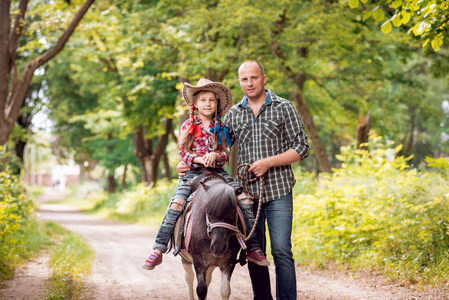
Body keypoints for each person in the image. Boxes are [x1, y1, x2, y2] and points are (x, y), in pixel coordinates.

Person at [178, 61, 309, 299]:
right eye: (244, 79)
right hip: (246, 193)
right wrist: (190, 162)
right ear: (239, 82)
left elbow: (302, 147)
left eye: (254, 78)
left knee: (281, 250)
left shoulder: (284, 107)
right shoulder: (234, 114)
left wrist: (268, 162)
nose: (249, 83)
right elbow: (218, 148)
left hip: (279, 189)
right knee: (253, 250)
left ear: (264, 78)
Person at [142, 78, 270, 271]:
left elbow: (226, 151)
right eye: (203, 100)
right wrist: (200, 159)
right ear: (196, 104)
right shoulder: (187, 126)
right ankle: (159, 249)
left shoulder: (222, 127)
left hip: (218, 173)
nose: (207, 104)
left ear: (217, 104)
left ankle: (252, 247)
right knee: (177, 203)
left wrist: (216, 154)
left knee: (243, 199)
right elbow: (183, 152)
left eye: (211, 100)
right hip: (193, 174)